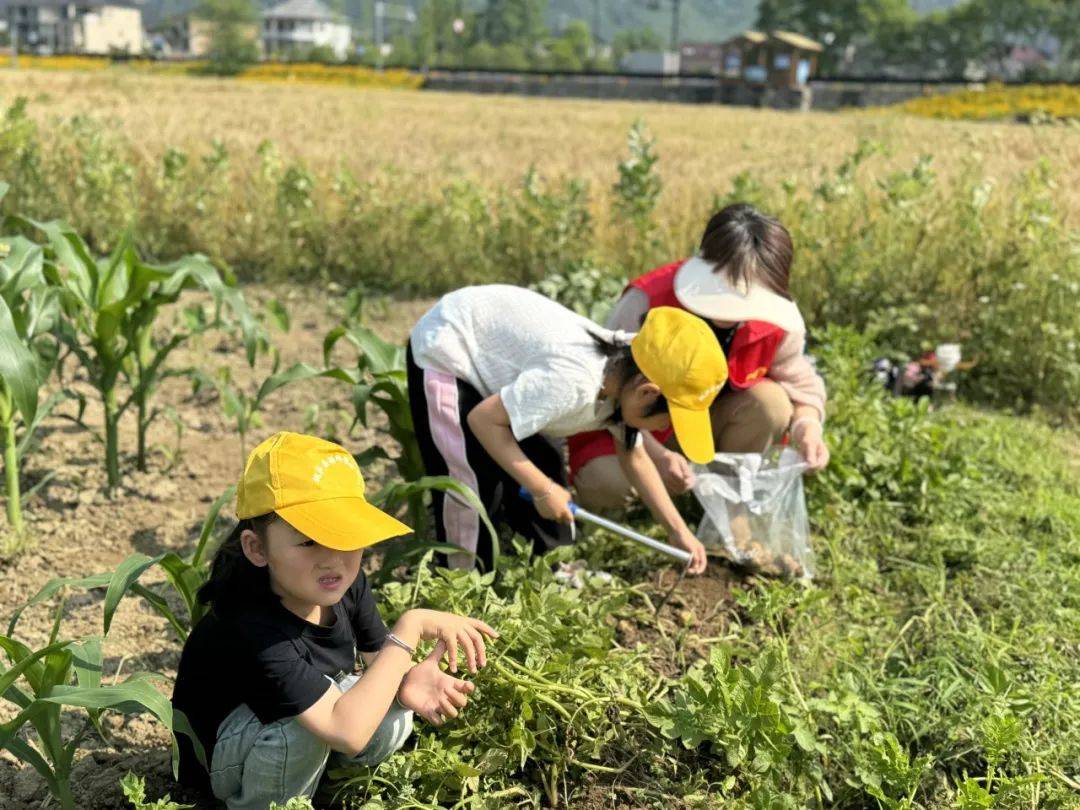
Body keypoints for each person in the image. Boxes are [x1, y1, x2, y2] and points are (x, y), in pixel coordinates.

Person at [171, 432, 497, 809]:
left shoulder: (344, 583)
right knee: (304, 733)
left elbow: (379, 664)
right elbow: (348, 732)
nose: (333, 559)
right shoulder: (250, 627)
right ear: (257, 548)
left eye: (345, 536)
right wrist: (410, 625)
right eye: (309, 541)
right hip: (221, 764)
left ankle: (318, 785)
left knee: (394, 711)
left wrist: (408, 681)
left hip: (294, 725)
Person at [407, 284, 730, 576]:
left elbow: (634, 456)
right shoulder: (571, 382)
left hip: (508, 369)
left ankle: (551, 567)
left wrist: (677, 530)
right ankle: (461, 579)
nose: (664, 429)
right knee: (471, 482)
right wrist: (542, 490)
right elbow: (483, 420)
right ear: (648, 393)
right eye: (669, 420)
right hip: (452, 348)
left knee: (543, 463)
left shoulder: (633, 370)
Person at [571, 203, 829, 511]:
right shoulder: (647, 302)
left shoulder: (777, 319)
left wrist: (807, 429)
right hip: (638, 431)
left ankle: (729, 499)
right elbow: (605, 394)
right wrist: (658, 455)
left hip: (710, 429)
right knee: (606, 482)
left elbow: (800, 383)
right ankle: (657, 503)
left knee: (771, 403)